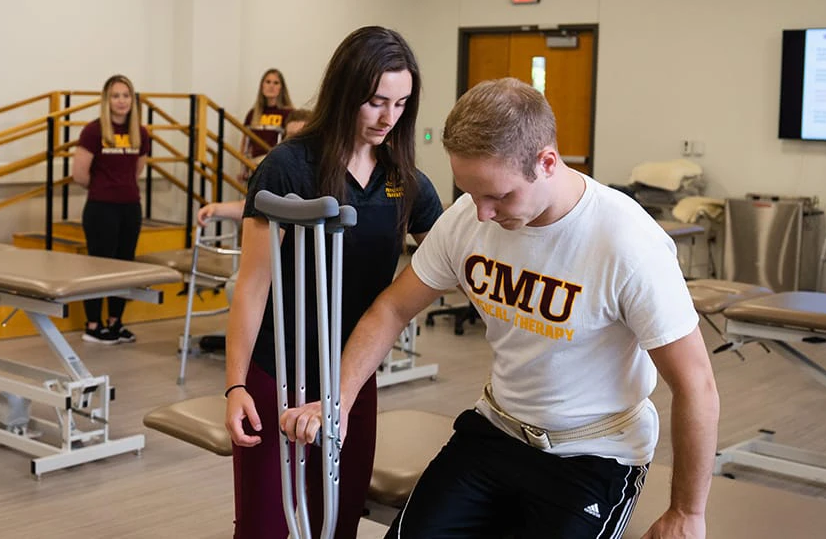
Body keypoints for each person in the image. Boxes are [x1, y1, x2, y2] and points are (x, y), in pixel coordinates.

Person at [279, 78, 719, 538]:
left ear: (547, 162)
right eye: (472, 193)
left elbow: (696, 385)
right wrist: (339, 401)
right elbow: (392, 309)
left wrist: (687, 513)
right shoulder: (468, 219)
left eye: (499, 195)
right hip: (494, 433)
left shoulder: (627, 243)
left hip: (593, 456)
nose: (484, 213)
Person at [223, 27, 441, 539]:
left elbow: (448, 256)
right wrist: (235, 384)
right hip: (277, 372)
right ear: (346, 94)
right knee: (266, 527)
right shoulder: (289, 167)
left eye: (402, 104)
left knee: (337, 522)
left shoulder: (403, 176)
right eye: (376, 102)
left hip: (350, 378)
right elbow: (252, 287)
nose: (390, 118)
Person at [72, 74, 153, 344]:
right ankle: (93, 325)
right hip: (100, 208)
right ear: (106, 100)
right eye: (115, 96)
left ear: (133, 100)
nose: (121, 101)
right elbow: (80, 174)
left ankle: (115, 322)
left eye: (126, 95)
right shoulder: (93, 131)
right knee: (98, 267)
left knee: (124, 265)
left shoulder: (140, 132)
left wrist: (121, 186)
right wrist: (105, 188)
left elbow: (138, 168)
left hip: (130, 207)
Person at [201, 108, 312, 223]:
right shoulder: (277, 170)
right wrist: (215, 208)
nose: (295, 142)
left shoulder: (320, 172)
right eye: (291, 136)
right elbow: (252, 207)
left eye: (301, 136)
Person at [242, 69, 295, 165]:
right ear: (262, 85)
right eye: (268, 82)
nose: (271, 86)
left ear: (281, 88)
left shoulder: (289, 113)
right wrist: (242, 167)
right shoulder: (253, 113)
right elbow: (245, 142)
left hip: (277, 161)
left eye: (276, 83)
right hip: (254, 162)